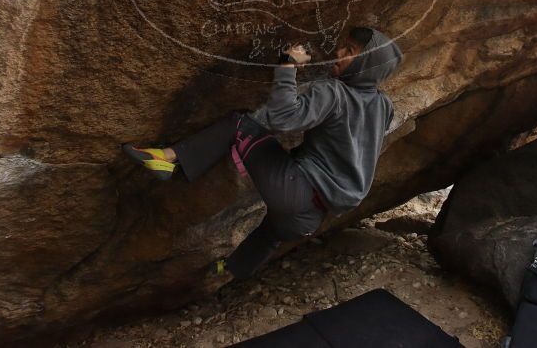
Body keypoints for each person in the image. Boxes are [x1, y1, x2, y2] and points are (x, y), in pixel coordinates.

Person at [122, 26, 403, 279]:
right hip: (311, 219)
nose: (339, 52)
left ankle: (168, 158)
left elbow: (282, 118)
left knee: (240, 124)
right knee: (271, 233)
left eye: (350, 52)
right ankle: (232, 268)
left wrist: (287, 66)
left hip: (296, 191)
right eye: (344, 46)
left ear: (366, 65)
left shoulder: (334, 93)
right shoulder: (384, 106)